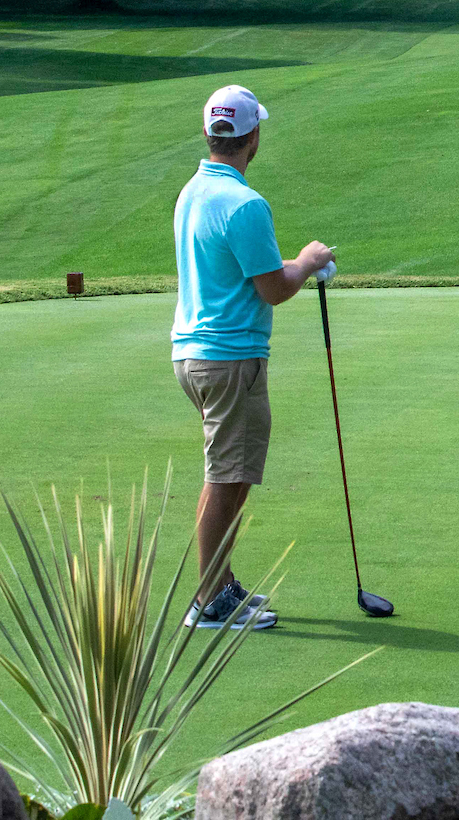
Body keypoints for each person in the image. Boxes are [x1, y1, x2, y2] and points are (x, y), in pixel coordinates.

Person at [172, 84, 334, 630]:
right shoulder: (244, 204)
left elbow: (250, 269)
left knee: (230, 473)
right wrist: (308, 261)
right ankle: (209, 600)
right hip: (230, 358)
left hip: (194, 354)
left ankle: (220, 585)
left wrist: (294, 265)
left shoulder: (193, 191)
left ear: (209, 132)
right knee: (226, 476)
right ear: (253, 137)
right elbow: (274, 288)